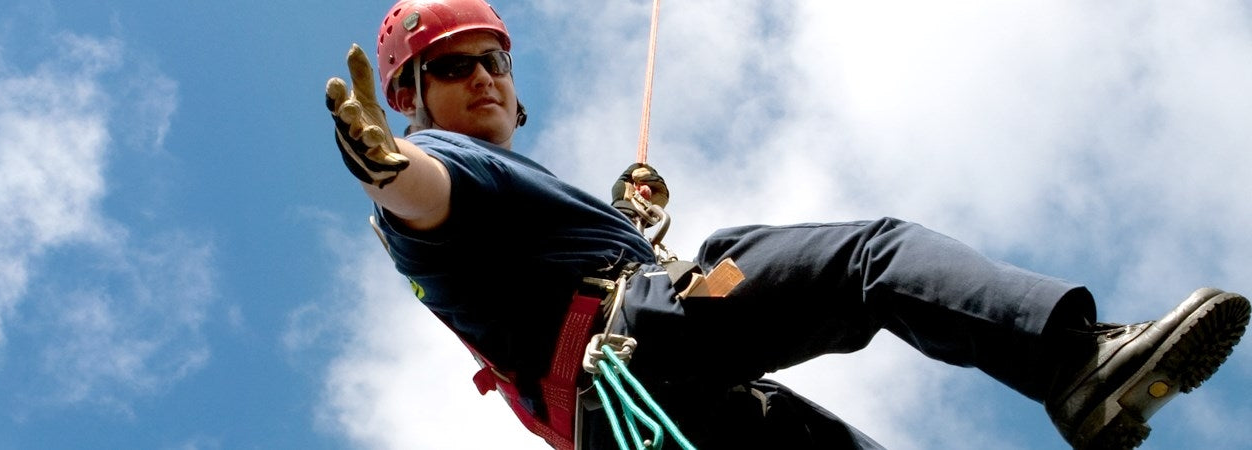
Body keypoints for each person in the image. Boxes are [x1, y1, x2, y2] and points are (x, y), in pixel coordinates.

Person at [324, 0, 1250, 448]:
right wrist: (387, 167)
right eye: (453, 68)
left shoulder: (523, 195)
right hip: (641, 348)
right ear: (410, 97)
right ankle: (1074, 361)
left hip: (643, 421)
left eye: (494, 60)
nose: (483, 77)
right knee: (867, 260)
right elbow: (423, 198)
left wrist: (625, 222)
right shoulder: (459, 170)